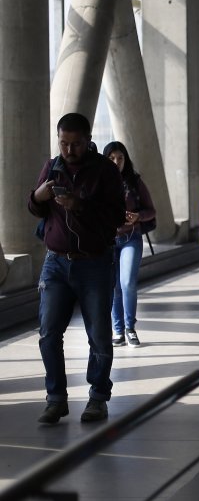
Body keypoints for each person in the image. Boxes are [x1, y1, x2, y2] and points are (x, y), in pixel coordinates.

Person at [27, 112, 126, 424]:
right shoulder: (52, 167)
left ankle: (98, 397)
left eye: (76, 144)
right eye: (63, 143)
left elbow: (117, 217)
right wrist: (38, 196)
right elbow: (34, 208)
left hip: (94, 263)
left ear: (88, 140)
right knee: (48, 333)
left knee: (99, 335)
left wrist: (79, 205)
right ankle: (56, 399)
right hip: (55, 263)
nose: (69, 150)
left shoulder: (105, 171)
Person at [102, 141, 156, 348]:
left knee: (127, 283)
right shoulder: (98, 181)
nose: (116, 162)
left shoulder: (135, 182)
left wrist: (138, 216)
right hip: (108, 241)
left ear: (126, 159)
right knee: (114, 286)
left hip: (131, 239)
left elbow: (151, 210)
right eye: (112, 158)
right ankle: (118, 330)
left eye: (120, 158)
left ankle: (130, 328)